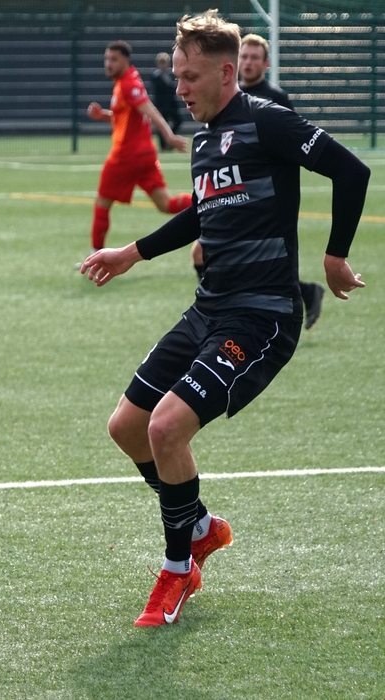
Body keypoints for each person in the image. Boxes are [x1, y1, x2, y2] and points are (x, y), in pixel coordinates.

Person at [80, 10, 368, 627]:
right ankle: (200, 526)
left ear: (226, 73)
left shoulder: (268, 121)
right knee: (127, 427)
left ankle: (178, 569)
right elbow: (201, 213)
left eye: (189, 77)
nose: (179, 87)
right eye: (178, 75)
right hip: (209, 307)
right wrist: (132, 253)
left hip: (262, 317)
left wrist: (335, 255)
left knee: (166, 428)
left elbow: (352, 169)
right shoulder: (205, 140)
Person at [190, 32, 325, 329]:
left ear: (266, 64)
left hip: (259, 201)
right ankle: (302, 292)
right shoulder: (226, 102)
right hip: (229, 195)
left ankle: (223, 306)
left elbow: (293, 146)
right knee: (203, 252)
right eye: (244, 56)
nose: (248, 62)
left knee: (241, 261)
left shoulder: (273, 99)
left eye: (254, 57)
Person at [83, 40, 191, 264]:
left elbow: (150, 110)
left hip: (125, 156)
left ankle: (95, 254)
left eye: (113, 59)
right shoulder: (127, 80)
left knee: (102, 203)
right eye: (106, 59)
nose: (108, 64)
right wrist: (103, 116)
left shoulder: (127, 84)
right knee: (166, 204)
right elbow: (126, 118)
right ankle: (208, 201)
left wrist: (169, 136)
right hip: (145, 156)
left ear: (125, 61)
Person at [149, 52, 181, 151]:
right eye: (162, 62)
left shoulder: (169, 75)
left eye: (165, 62)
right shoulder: (156, 76)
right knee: (162, 124)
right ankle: (164, 145)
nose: (164, 65)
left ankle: (169, 140)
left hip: (171, 105)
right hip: (161, 106)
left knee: (178, 121)